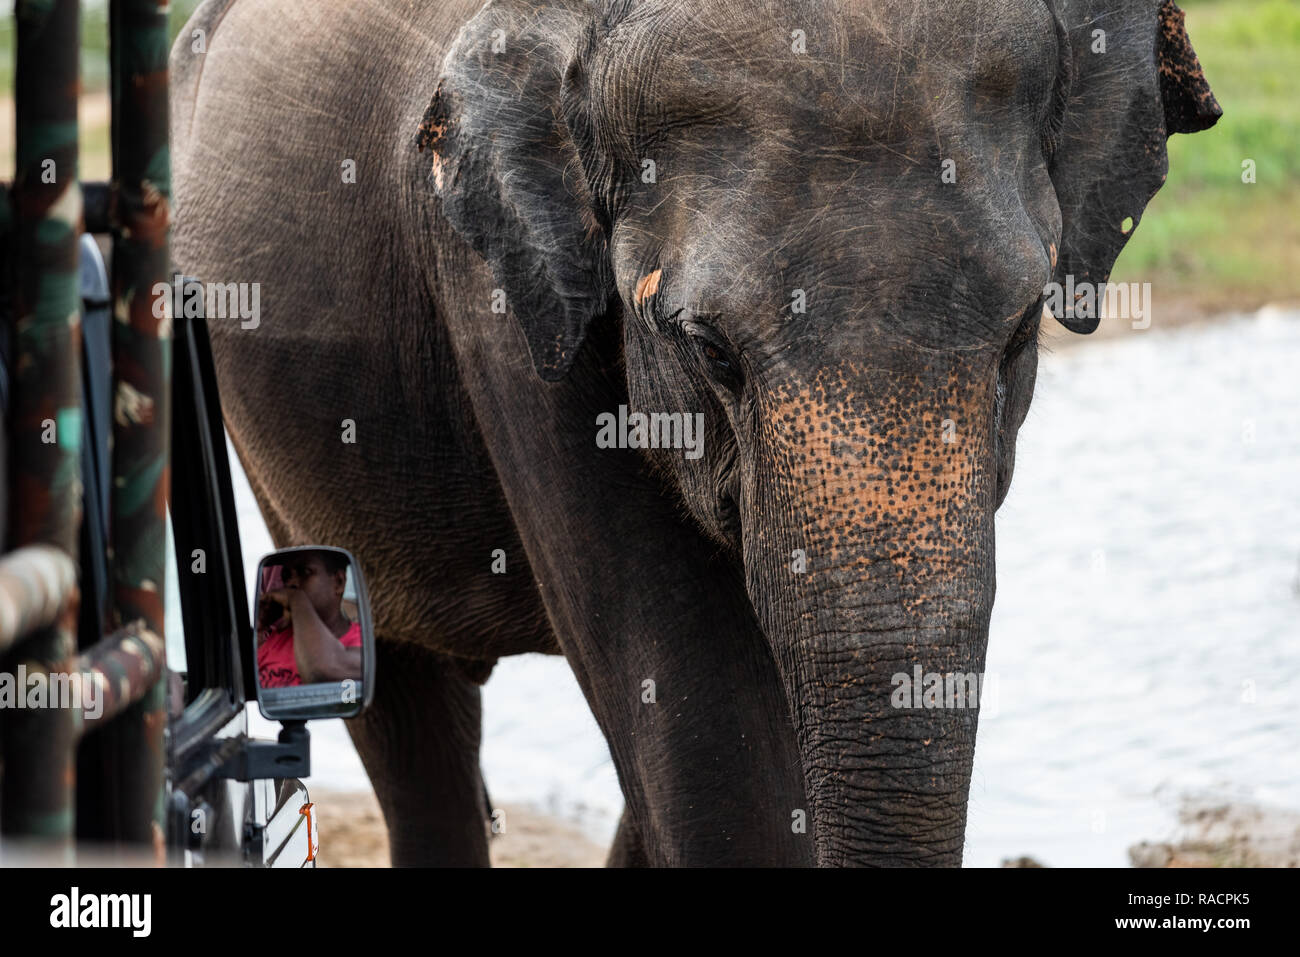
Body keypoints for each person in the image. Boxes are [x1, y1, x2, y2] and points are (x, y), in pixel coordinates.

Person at [257, 550, 362, 688]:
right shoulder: (275, 640)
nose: (291, 583)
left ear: (339, 582)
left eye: (305, 572)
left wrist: (296, 598)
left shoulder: (362, 640)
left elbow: (321, 671)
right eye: (286, 575)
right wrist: (260, 627)